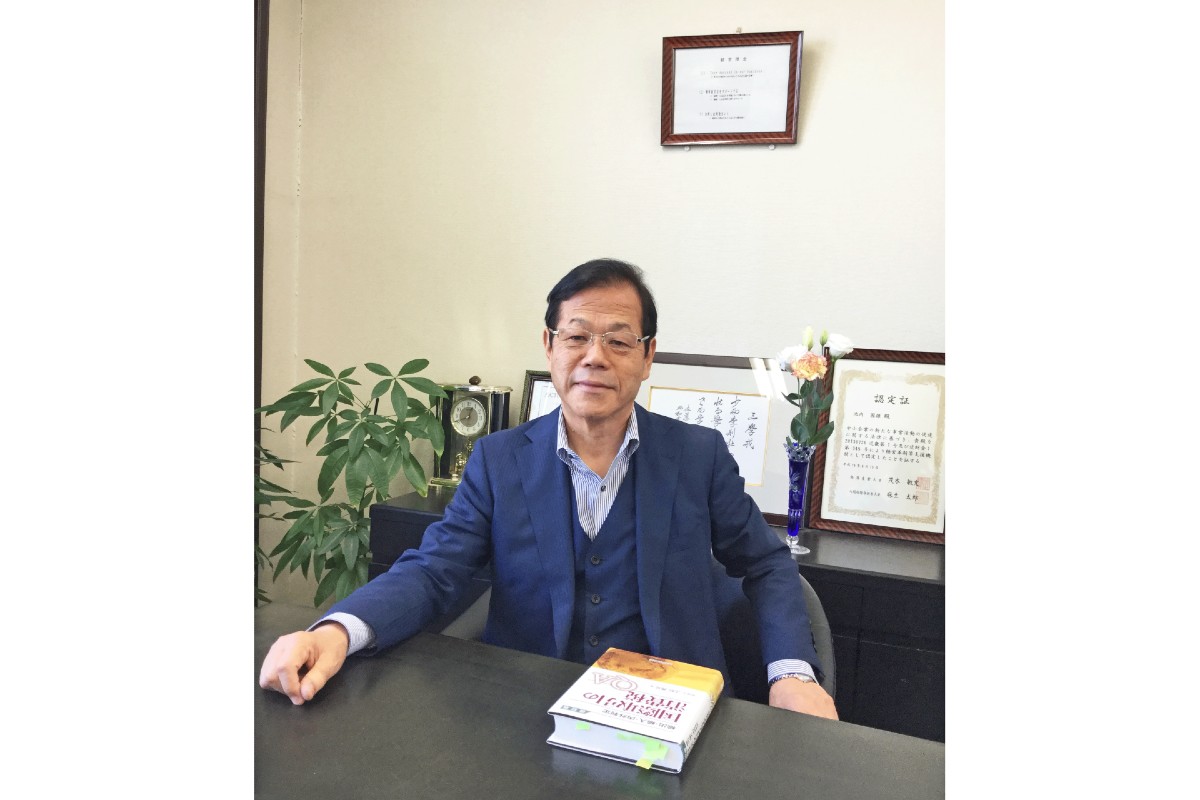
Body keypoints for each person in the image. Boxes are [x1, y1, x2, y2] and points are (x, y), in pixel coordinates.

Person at [259, 259, 838, 720]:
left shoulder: (697, 456)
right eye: (577, 336)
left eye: (618, 342)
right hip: (527, 711)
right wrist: (338, 630)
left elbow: (766, 564)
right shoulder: (499, 459)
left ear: (647, 356)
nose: (594, 357)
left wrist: (792, 674)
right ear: (549, 346)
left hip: (669, 712)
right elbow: (434, 571)